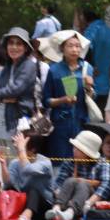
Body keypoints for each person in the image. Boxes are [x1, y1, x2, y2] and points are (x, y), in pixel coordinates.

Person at [41, 30, 94, 171]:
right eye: (70, 46)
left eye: (77, 46)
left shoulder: (87, 68)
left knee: (80, 160)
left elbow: (91, 99)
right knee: (59, 162)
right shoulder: (54, 70)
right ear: (62, 48)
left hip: (81, 122)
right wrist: (62, 100)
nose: (75, 49)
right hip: (60, 124)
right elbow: (46, 100)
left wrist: (89, 87)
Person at [0, 28, 38, 147]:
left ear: (26, 47)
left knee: (16, 158)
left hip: (18, 119)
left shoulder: (29, 65)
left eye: (19, 43)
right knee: (2, 158)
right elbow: (2, 90)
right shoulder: (7, 66)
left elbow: (15, 90)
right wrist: (4, 96)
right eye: (11, 43)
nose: (14, 47)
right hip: (1, 117)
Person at [46, 130, 110, 220]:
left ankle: (70, 213)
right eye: (74, 147)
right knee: (70, 180)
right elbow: (58, 184)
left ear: (87, 152)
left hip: (89, 201)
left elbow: (106, 185)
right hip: (66, 198)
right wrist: (60, 194)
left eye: (78, 149)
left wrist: (89, 202)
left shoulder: (102, 163)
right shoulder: (69, 162)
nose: (74, 150)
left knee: (82, 183)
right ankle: (56, 208)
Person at [0, 131, 54, 220]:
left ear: (32, 149)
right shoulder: (15, 162)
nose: (17, 148)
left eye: (22, 145)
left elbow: (28, 170)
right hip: (22, 200)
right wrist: (3, 165)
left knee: (33, 191)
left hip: (42, 205)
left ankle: (27, 214)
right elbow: (8, 183)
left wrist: (21, 149)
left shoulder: (45, 162)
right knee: (7, 190)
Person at [83, 9, 110, 110]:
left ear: (85, 18)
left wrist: (92, 66)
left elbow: (85, 49)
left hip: (91, 83)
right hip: (107, 84)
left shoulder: (90, 31)